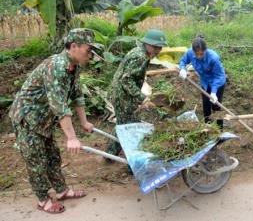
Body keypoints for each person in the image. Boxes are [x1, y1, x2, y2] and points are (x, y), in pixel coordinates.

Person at [8, 28, 102, 213]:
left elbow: (77, 95)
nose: (90, 54)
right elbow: (59, 106)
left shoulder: (73, 66)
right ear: (74, 46)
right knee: (36, 161)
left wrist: (84, 122)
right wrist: (72, 137)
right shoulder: (57, 66)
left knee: (52, 156)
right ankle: (43, 200)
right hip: (28, 118)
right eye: (88, 49)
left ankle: (61, 191)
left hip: (44, 120)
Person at [105, 29, 168, 158]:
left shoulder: (140, 52)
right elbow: (126, 80)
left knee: (123, 124)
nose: (158, 51)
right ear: (148, 44)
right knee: (131, 128)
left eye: (160, 48)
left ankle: (110, 153)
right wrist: (142, 98)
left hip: (122, 94)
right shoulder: (140, 57)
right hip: (122, 96)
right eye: (156, 48)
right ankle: (134, 161)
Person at [178, 35, 227, 130]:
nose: (199, 56)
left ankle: (220, 130)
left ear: (206, 50)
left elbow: (219, 76)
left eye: (202, 54)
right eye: (197, 54)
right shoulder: (190, 53)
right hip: (204, 83)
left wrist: (213, 92)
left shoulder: (214, 58)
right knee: (206, 106)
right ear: (193, 51)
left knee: (216, 106)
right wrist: (182, 69)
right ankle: (207, 128)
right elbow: (183, 61)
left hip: (217, 83)